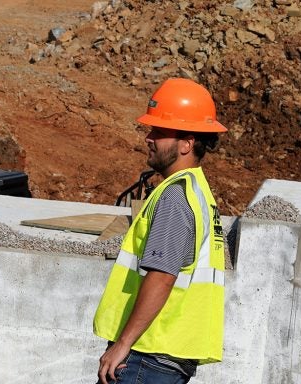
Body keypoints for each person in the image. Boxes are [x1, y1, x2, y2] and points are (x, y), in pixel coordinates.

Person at [93, 78, 227, 384]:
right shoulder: (197, 191)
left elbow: (163, 275)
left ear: (186, 144)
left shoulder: (175, 197)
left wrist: (123, 343)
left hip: (147, 356)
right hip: (163, 356)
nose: (148, 138)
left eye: (159, 132)